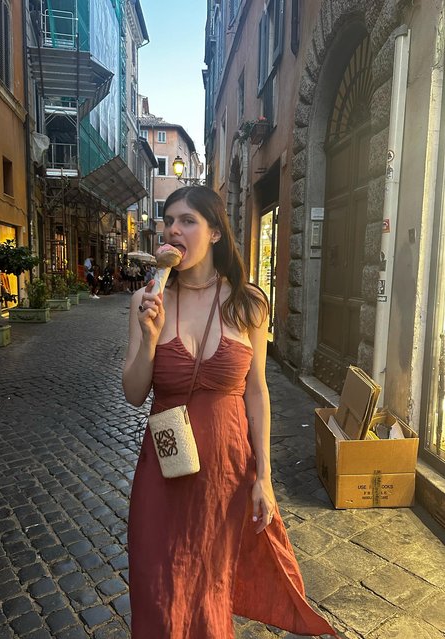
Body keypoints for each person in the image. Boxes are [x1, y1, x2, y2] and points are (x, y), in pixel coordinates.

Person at [122, 186, 337, 639]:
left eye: (188, 220)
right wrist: (148, 334)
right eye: (168, 220)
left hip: (225, 473)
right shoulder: (146, 300)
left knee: (209, 593)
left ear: (215, 232)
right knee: (157, 592)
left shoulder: (249, 303)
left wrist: (264, 477)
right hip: (163, 469)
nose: (173, 229)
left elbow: (256, 391)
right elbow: (134, 392)